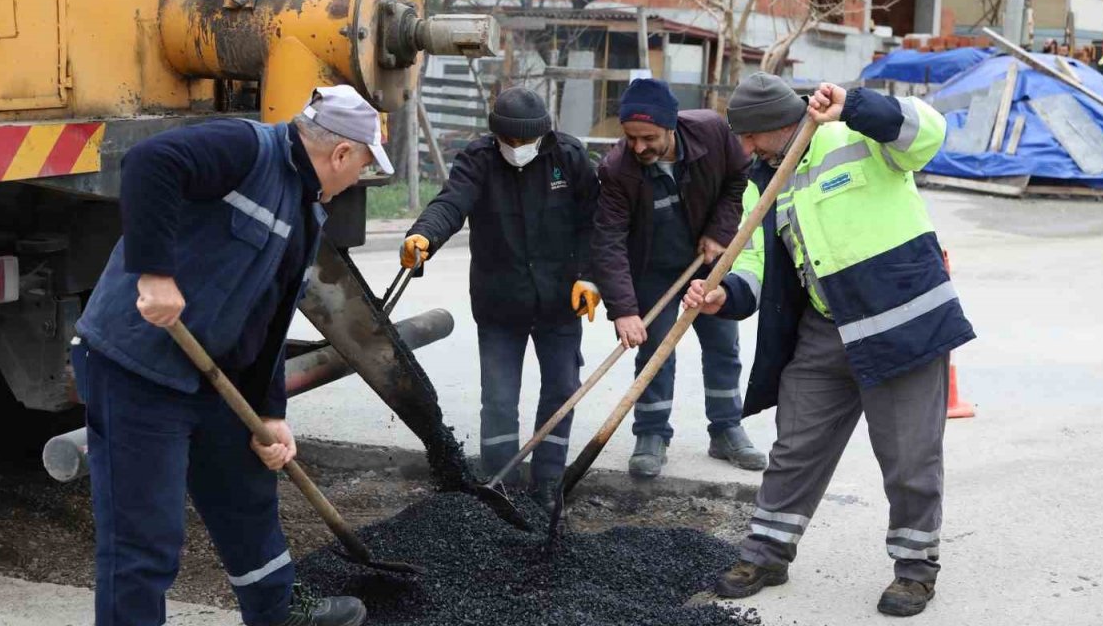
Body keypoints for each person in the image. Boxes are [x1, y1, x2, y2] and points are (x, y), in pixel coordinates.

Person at [73, 85, 392, 626]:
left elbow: (268, 320)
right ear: (341, 153)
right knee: (145, 535)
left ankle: (277, 613)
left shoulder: (306, 209)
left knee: (247, 496)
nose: (357, 179)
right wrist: (155, 273)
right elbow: (150, 162)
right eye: (362, 167)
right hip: (138, 369)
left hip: (211, 376)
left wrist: (270, 412)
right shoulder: (247, 148)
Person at [683, 72, 974, 617]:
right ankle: (766, 553)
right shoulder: (762, 181)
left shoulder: (855, 135)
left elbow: (929, 132)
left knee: (909, 457)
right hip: (824, 328)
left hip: (900, 325)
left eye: (751, 136)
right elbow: (754, 261)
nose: (745, 147)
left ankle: (914, 571)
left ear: (780, 123)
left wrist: (856, 106)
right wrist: (725, 293)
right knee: (795, 447)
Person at [401, 87, 600, 510]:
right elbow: (451, 202)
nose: (517, 147)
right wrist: (424, 235)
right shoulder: (479, 159)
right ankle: (499, 485)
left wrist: (590, 277)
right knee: (498, 396)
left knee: (562, 390)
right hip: (500, 303)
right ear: (496, 135)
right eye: (508, 140)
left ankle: (549, 483)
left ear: (543, 134)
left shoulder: (569, 158)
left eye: (525, 140)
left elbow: (594, 223)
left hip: (560, 302)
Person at [592, 78, 766, 479]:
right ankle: (651, 434)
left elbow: (737, 180)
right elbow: (609, 241)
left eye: (648, 138)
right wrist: (624, 310)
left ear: (670, 126)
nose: (639, 147)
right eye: (631, 137)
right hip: (653, 270)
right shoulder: (617, 169)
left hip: (706, 265)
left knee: (723, 347)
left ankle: (726, 429)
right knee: (655, 352)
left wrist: (720, 232)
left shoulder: (711, 132)